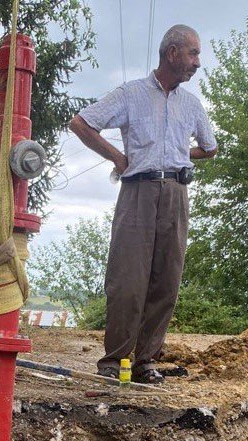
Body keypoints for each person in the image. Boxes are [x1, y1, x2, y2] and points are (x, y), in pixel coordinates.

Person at [68, 25, 218, 385]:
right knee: (127, 280)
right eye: (193, 54)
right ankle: (114, 359)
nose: (198, 63)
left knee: (167, 280)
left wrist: (182, 155)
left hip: (177, 195)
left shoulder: (191, 104)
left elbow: (210, 149)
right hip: (137, 191)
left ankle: (145, 359)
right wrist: (120, 158)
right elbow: (81, 123)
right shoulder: (131, 94)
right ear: (172, 53)